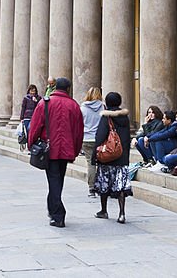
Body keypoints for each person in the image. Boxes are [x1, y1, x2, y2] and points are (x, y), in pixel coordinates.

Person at [27, 77, 83, 227]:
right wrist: (76, 150)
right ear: (68, 89)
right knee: (58, 180)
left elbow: (35, 125)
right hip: (65, 149)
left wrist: (31, 143)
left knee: (54, 180)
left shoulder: (45, 102)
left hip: (49, 149)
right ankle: (53, 209)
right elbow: (78, 132)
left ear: (55, 87)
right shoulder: (74, 105)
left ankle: (58, 214)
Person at [92, 92, 133, 223]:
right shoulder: (125, 118)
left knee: (104, 183)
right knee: (120, 185)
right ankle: (122, 213)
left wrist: (95, 154)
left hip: (107, 156)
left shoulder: (106, 117)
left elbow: (100, 136)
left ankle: (104, 210)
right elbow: (126, 138)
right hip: (122, 156)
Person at [80, 88, 104, 195]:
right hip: (99, 138)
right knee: (102, 162)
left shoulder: (83, 108)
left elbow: (79, 124)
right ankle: (101, 185)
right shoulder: (102, 107)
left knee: (91, 163)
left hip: (86, 138)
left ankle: (91, 187)